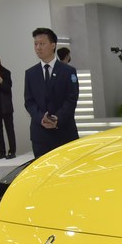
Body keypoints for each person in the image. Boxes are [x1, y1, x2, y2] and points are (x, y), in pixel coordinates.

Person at [24, 27, 79, 159]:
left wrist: (57, 118)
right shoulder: (30, 73)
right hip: (40, 136)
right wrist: (41, 118)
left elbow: (71, 99)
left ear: (53, 45)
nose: (38, 48)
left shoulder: (68, 71)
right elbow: (29, 102)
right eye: (35, 44)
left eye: (42, 44)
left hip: (64, 132)